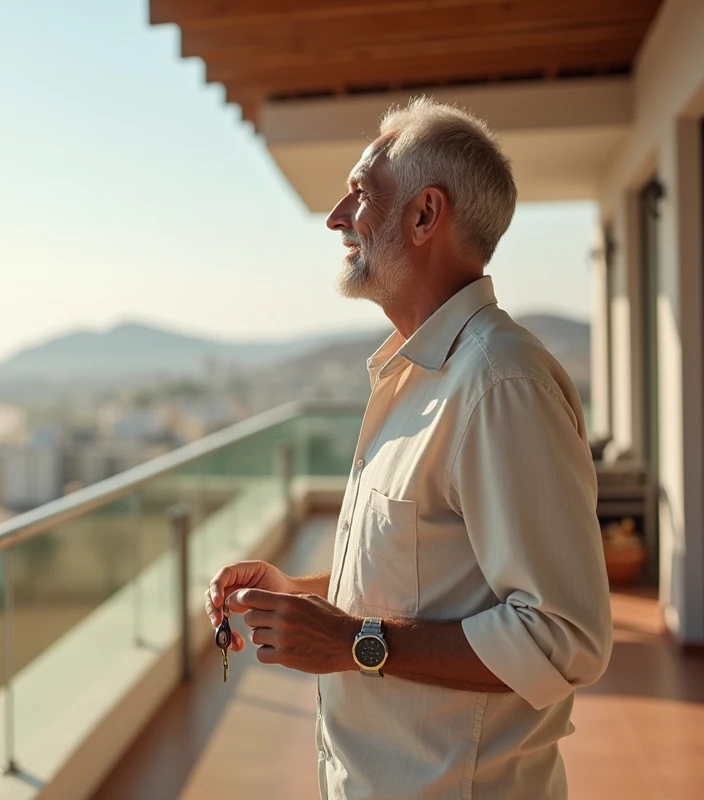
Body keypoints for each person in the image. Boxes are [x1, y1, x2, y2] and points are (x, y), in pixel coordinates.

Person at [206, 97, 612, 800]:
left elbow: (562, 637)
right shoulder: (419, 376)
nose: (336, 219)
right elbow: (430, 579)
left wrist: (351, 644)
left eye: (361, 195)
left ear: (425, 216)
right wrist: (301, 598)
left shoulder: (497, 382)